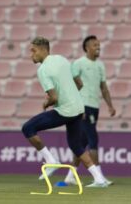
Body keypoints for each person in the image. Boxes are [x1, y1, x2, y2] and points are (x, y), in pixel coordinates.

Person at [21, 37, 108, 187]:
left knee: (28, 128)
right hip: (78, 107)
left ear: (43, 49)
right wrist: (71, 96)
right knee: (76, 146)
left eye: (33, 51)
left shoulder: (43, 70)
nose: (31, 55)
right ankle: (99, 179)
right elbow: (79, 83)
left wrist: (46, 102)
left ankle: (51, 161)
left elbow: (53, 97)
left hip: (65, 110)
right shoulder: (61, 59)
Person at [64, 35, 116, 185]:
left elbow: (104, 88)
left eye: (99, 45)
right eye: (95, 45)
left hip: (95, 107)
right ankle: (98, 178)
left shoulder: (100, 65)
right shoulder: (79, 63)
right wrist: (77, 105)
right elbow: (71, 84)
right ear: (87, 47)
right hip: (83, 106)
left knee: (81, 142)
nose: (98, 47)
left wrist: (110, 105)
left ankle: (70, 176)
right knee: (93, 139)